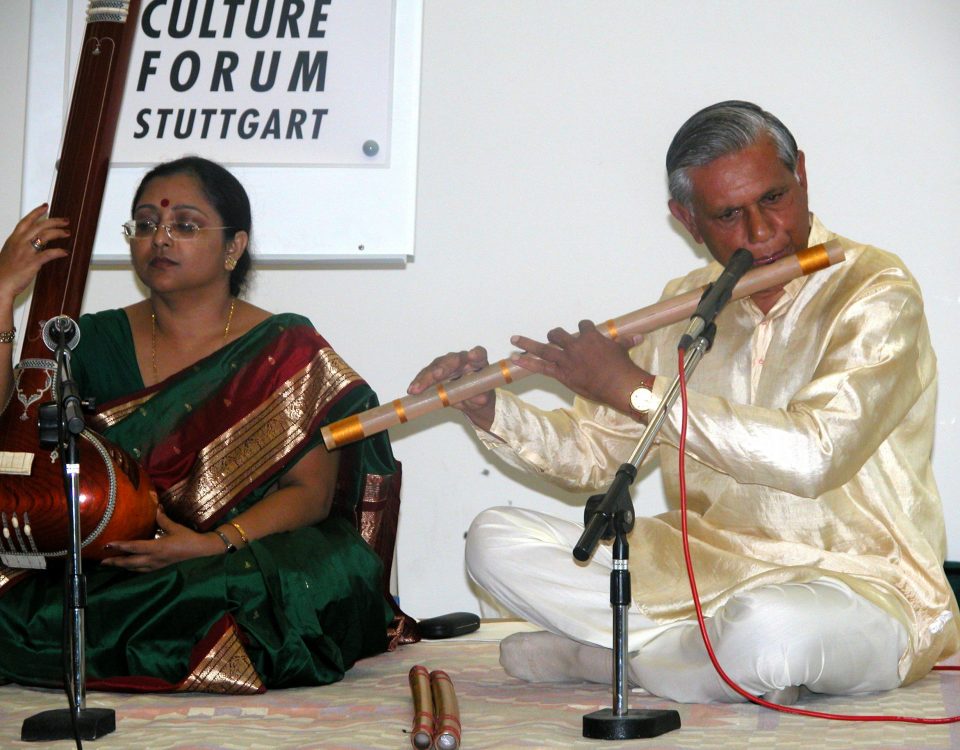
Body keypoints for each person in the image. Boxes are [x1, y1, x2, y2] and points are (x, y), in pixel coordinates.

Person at [408, 101, 960, 703]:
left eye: (774, 199)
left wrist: (629, 387)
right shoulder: (684, 308)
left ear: (801, 173)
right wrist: (487, 408)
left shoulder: (876, 291)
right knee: (492, 541)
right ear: (687, 220)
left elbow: (814, 455)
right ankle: (695, 658)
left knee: (772, 632)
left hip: (858, 582)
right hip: (704, 572)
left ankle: (616, 662)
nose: (761, 233)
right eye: (728, 214)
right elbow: (595, 456)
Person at [0, 156, 412, 693]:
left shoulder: (284, 346)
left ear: (234, 247)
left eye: (185, 225)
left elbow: (310, 495)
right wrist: (3, 295)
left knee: (297, 582)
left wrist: (210, 543)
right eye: (145, 225)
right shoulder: (90, 339)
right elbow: (12, 427)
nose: (160, 239)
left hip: (234, 554)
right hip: (117, 558)